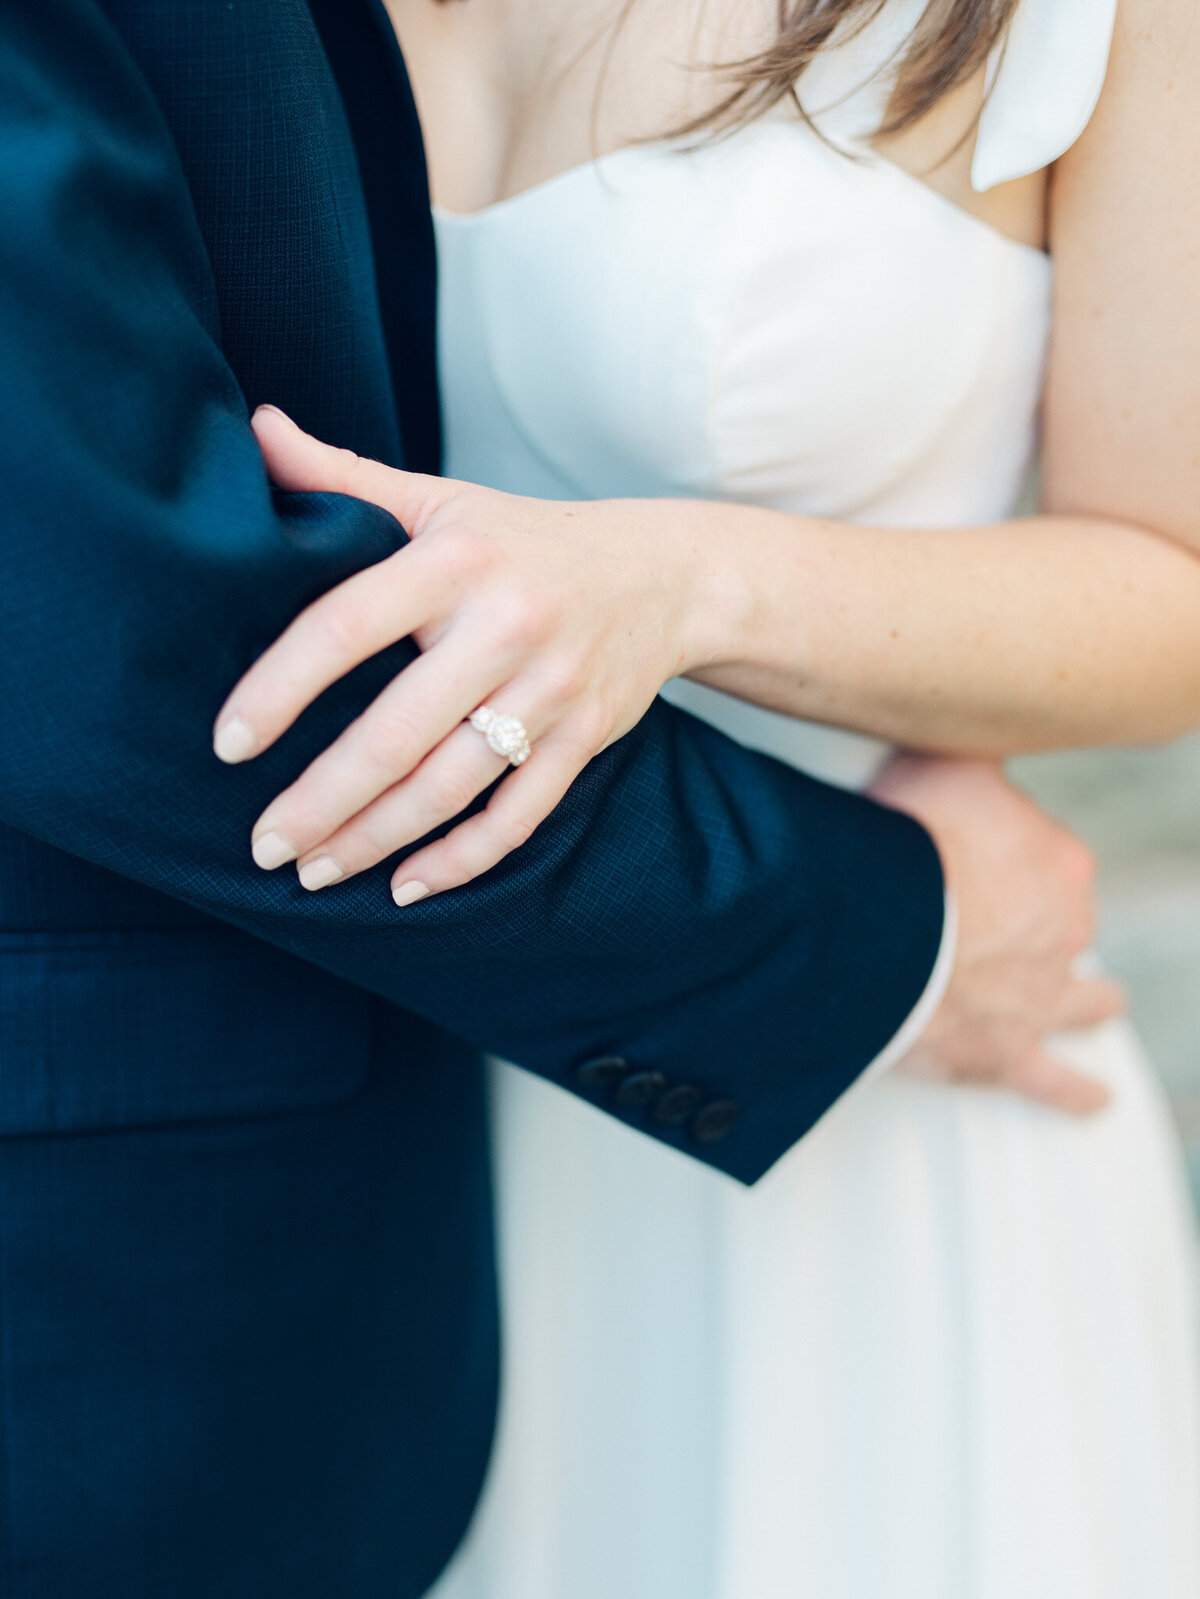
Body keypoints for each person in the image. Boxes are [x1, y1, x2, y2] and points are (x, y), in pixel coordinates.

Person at [0, 3, 1112, 1596]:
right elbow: (111, 601)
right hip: (426, 1090)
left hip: (861, 1119)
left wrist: (697, 581)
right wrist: (882, 935)